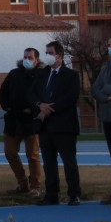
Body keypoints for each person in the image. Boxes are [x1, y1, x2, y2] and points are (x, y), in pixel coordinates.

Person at [34, 41, 81, 206]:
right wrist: (40, 105)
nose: (47, 55)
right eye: (46, 52)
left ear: (59, 56)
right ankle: (51, 194)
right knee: (49, 163)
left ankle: (74, 194)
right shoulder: (42, 74)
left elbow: (71, 98)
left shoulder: (71, 75)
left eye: (50, 52)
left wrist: (49, 109)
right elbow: (34, 93)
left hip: (64, 126)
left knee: (69, 162)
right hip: (45, 127)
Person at [0, 48, 43, 197]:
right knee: (10, 152)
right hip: (13, 119)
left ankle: (35, 186)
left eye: (30, 57)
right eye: (25, 57)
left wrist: (34, 110)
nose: (26, 60)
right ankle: (22, 182)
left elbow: (43, 95)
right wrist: (7, 106)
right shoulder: (14, 74)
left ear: (36, 59)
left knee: (33, 155)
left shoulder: (42, 75)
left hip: (31, 121)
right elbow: (2, 91)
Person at [90, 34, 111, 207]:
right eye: (109, 45)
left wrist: (107, 89)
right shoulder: (106, 68)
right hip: (108, 116)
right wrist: (106, 96)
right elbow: (95, 89)